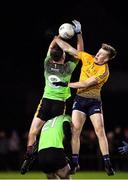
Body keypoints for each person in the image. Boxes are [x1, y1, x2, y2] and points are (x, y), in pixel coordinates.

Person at [52, 26, 117, 176]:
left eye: (101, 55)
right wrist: (57, 39)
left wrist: (66, 84)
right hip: (80, 100)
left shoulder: (104, 72)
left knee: (100, 131)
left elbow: (86, 84)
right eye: (99, 52)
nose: (98, 55)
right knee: (75, 131)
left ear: (106, 59)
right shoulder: (88, 58)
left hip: (94, 101)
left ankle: (107, 163)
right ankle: (75, 163)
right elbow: (69, 49)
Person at [27, 20, 84, 149]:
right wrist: (78, 34)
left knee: (32, 133)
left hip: (46, 101)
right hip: (59, 104)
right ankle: (60, 158)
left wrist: (57, 37)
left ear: (52, 56)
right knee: (57, 136)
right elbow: (80, 54)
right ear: (63, 56)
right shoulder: (68, 68)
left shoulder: (47, 64)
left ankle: (28, 157)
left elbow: (51, 48)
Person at [21, 114, 72, 179]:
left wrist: (28, 160)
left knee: (51, 177)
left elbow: (37, 143)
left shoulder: (46, 123)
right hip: (55, 151)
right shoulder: (65, 117)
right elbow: (67, 130)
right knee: (66, 177)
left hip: (42, 155)